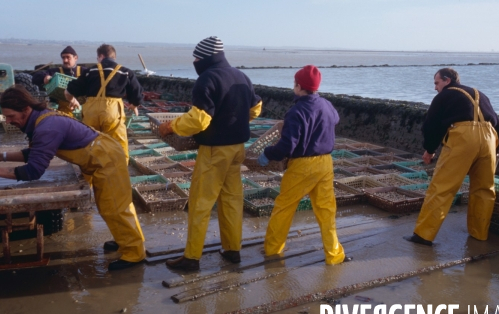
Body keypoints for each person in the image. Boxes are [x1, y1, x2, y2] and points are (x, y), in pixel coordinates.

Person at [0, 86, 145, 271]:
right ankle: (123, 240)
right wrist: (2, 156)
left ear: (26, 109)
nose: (9, 121)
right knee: (110, 205)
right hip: (103, 153)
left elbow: (34, 170)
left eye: (11, 116)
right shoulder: (41, 117)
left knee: (114, 206)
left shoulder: (46, 127)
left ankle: (134, 253)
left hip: (107, 159)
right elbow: (38, 152)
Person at [159, 36, 262, 271]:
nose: (194, 61)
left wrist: (171, 126)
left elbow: (199, 120)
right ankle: (232, 250)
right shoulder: (241, 76)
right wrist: (236, 122)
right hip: (237, 150)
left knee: (201, 203)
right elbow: (256, 107)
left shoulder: (207, 78)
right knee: (232, 200)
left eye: (196, 57)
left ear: (205, 58)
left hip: (215, 151)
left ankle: (192, 258)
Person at [258, 65, 348, 265]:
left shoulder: (296, 111)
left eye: (294, 84)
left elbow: (287, 146)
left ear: (299, 86)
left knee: (284, 207)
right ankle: (335, 255)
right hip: (325, 163)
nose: (293, 88)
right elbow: (335, 119)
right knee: (326, 210)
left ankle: (273, 249)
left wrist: (268, 153)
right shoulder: (327, 105)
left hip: (302, 165)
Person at [405, 68, 499, 246]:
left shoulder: (444, 96)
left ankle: (423, 235)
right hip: (490, 138)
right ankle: (479, 234)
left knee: (442, 187)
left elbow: (431, 125)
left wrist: (429, 149)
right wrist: (497, 151)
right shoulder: (480, 94)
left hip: (463, 136)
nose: (435, 88)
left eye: (437, 83)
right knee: (485, 189)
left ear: (447, 80)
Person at [65, 44, 143, 163]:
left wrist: (73, 101)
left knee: (89, 144)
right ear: (113, 57)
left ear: (101, 56)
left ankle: (89, 178)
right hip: (112, 112)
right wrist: (134, 105)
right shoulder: (125, 72)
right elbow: (137, 93)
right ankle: (119, 174)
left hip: (91, 111)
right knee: (118, 144)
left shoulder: (89, 72)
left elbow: (68, 90)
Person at [32, 45, 87, 116]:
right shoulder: (56, 72)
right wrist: (44, 77)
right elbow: (35, 77)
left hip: (82, 110)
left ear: (75, 58)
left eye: (68, 57)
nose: (65, 60)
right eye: (63, 58)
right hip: (61, 111)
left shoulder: (83, 71)